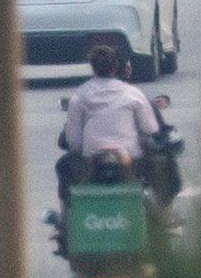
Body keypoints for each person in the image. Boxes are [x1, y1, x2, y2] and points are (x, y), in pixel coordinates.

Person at [56, 37, 168, 185]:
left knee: (63, 166)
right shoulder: (133, 94)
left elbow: (74, 142)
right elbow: (150, 128)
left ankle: (68, 206)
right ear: (116, 67)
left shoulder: (80, 96)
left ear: (93, 67)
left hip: (90, 159)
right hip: (130, 158)